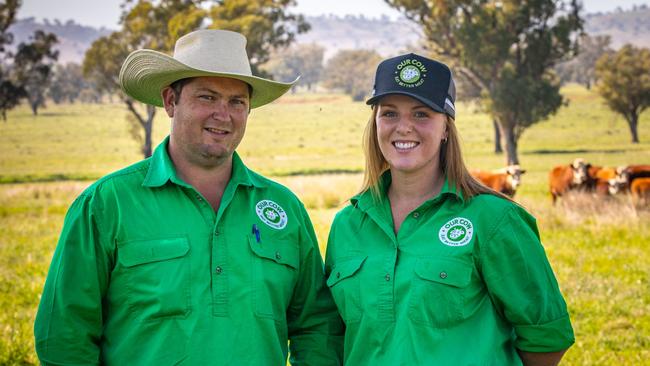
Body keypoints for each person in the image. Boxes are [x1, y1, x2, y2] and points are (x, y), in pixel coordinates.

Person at [34, 29, 343, 365]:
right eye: (207, 97)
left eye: (237, 101)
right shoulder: (107, 204)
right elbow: (64, 337)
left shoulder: (284, 208)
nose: (223, 115)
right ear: (170, 100)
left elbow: (317, 327)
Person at [324, 53, 574, 365]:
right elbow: (331, 336)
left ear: (445, 128)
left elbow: (546, 337)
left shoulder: (494, 219)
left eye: (421, 114)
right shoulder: (348, 224)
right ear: (375, 123)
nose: (403, 128)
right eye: (389, 114)